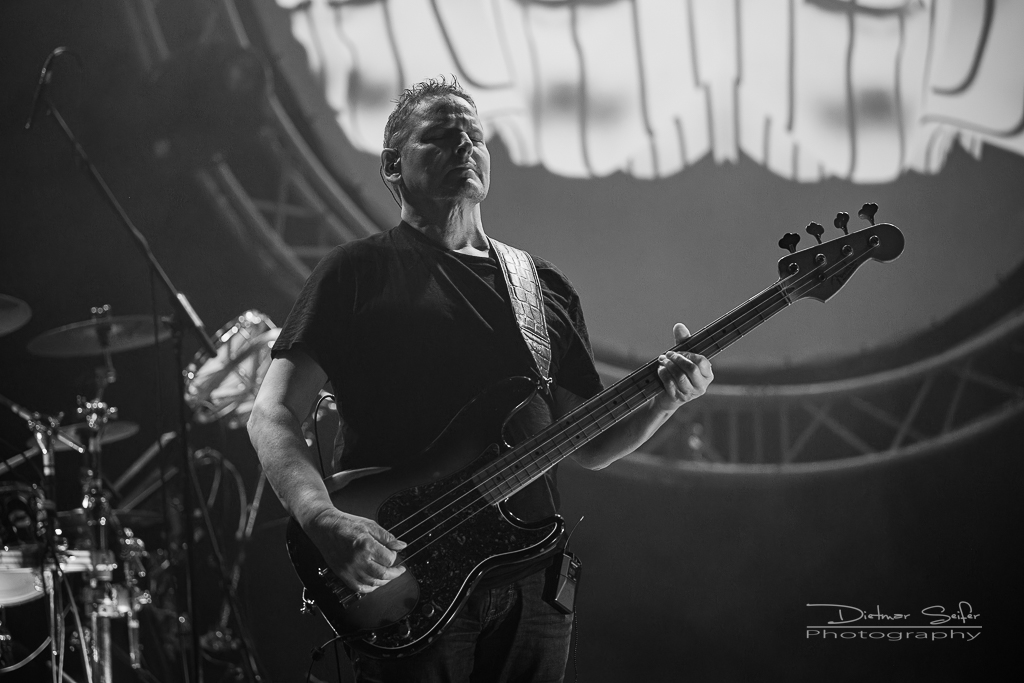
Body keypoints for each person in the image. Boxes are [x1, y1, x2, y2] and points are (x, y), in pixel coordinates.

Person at [247, 77, 713, 683]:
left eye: (474, 136)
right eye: (441, 137)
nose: (465, 147)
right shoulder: (355, 273)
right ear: (392, 165)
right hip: (405, 575)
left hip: (533, 581)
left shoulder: (542, 288)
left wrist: (665, 401)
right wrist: (322, 519)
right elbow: (273, 412)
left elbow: (591, 444)